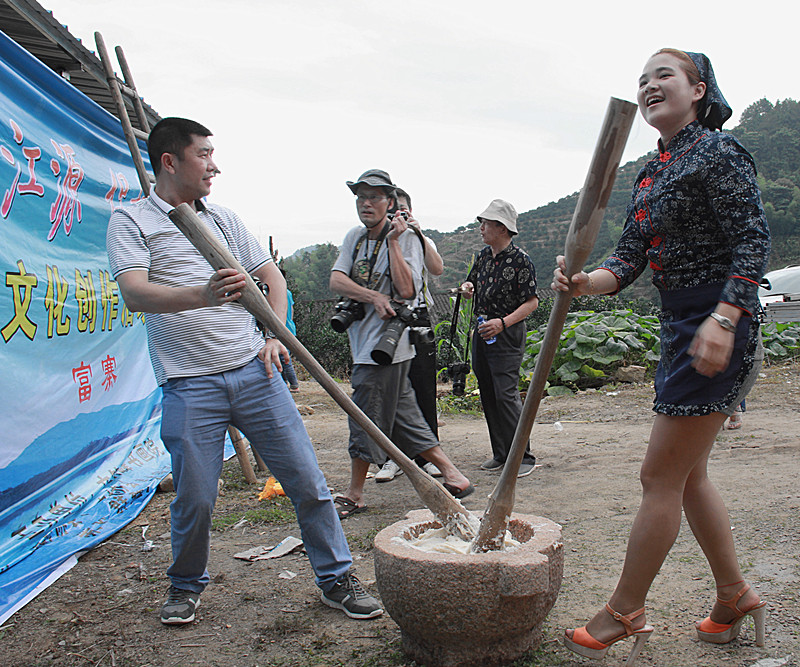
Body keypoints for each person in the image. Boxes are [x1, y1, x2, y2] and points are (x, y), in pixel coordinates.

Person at [106, 117, 382, 625]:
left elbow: (272, 278)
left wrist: (275, 335)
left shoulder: (225, 219)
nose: (215, 165)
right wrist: (203, 294)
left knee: (307, 481)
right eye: (204, 155)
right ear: (171, 161)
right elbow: (135, 292)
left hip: (255, 374)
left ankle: (336, 578)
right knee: (195, 495)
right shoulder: (132, 220)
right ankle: (185, 585)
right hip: (190, 385)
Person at [554, 50, 770, 664]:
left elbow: (752, 241)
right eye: (642, 80)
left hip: (716, 323)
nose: (649, 86)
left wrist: (725, 318)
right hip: (680, 324)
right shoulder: (653, 171)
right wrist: (583, 283)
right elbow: (627, 261)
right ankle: (733, 595)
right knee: (689, 472)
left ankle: (625, 608)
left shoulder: (718, 152)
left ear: (698, 88)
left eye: (663, 75)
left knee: (659, 477)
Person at [329, 169, 473, 517]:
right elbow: (336, 280)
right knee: (405, 415)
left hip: (387, 346)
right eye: (361, 196)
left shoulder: (406, 238)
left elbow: (407, 290)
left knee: (363, 415)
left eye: (375, 197)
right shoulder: (355, 238)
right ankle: (455, 477)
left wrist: (394, 241)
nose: (367, 203)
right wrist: (372, 296)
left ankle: (354, 492)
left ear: (390, 203)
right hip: (363, 339)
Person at [459, 199, 539, 477]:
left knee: (506, 395)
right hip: (482, 332)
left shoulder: (520, 260)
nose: (481, 228)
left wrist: (503, 323)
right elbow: (471, 283)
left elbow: (532, 303)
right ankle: (502, 453)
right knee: (489, 393)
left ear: (503, 228)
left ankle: (523, 456)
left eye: (486, 223)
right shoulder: (483, 256)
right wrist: (468, 287)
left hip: (506, 334)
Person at [375, 187, 443, 481]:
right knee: (389, 389)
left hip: (418, 318)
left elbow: (437, 269)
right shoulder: (376, 241)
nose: (397, 216)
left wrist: (418, 233)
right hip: (386, 319)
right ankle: (393, 457)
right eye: (392, 211)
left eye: (402, 210)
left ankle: (428, 456)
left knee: (424, 387)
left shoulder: (420, 238)